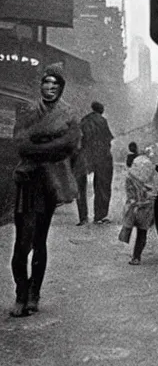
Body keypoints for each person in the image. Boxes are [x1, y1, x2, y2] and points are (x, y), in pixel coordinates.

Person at [10, 64, 81, 317]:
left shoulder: (69, 113)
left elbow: (70, 145)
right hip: (27, 181)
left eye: (55, 84)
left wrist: (38, 145)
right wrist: (49, 146)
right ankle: (20, 292)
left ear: (61, 88)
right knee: (21, 243)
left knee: (39, 241)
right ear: (40, 86)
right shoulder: (29, 109)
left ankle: (33, 295)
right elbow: (20, 142)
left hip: (50, 183)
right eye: (46, 83)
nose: (49, 88)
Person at [118, 149, 158, 265]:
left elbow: (130, 194)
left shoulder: (130, 178)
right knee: (142, 233)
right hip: (147, 208)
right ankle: (137, 257)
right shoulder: (148, 177)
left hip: (135, 207)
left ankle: (135, 257)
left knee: (130, 228)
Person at [77, 101, 114, 225]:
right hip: (101, 156)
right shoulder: (102, 121)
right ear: (101, 110)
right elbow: (107, 139)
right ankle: (99, 216)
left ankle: (83, 217)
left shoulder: (84, 120)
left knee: (80, 186)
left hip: (84, 155)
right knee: (103, 185)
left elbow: (80, 138)